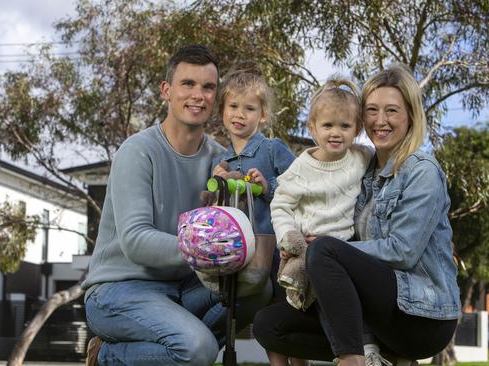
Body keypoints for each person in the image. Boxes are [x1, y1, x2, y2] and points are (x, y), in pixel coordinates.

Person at [253, 64, 461, 366]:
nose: (381, 120)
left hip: (422, 315)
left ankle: (354, 361)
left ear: (411, 116)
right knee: (268, 324)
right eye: (372, 110)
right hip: (375, 312)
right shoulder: (363, 167)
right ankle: (378, 353)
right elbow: (315, 191)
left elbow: (401, 251)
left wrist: (322, 250)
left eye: (392, 111)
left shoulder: (422, 171)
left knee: (325, 249)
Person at [82, 45, 271, 366]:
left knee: (258, 289)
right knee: (196, 349)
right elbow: (136, 242)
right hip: (119, 290)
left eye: (208, 87)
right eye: (188, 84)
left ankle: (177, 347)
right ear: (166, 91)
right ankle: (106, 355)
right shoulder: (137, 151)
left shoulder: (220, 160)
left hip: (182, 287)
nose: (198, 95)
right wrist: (211, 246)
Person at [268, 77, 375, 366]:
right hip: (305, 250)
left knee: (339, 302)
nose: (336, 133)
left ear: (357, 129)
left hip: (345, 250)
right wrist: (288, 235)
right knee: (313, 296)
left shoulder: (361, 157)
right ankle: (346, 356)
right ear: (312, 128)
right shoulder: (302, 167)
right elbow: (280, 205)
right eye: (328, 125)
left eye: (345, 126)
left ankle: (358, 351)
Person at [207, 66, 298, 366]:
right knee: (264, 317)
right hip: (246, 253)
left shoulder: (272, 150)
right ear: (222, 111)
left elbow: (302, 187)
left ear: (262, 115)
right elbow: (216, 211)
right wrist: (214, 184)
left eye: (249, 108)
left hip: (278, 249)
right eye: (233, 106)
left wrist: (267, 187)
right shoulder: (223, 160)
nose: (239, 114)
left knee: (289, 313)